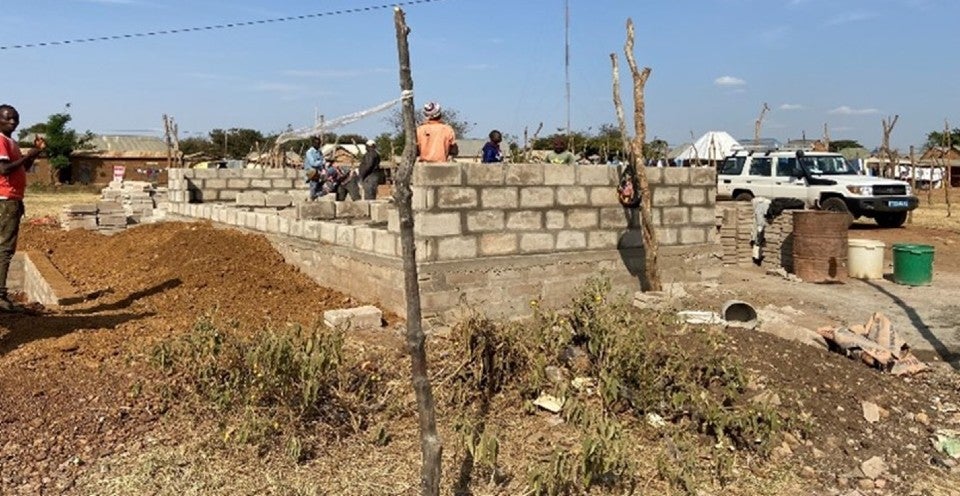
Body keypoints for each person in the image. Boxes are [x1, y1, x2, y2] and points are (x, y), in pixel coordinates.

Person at [0, 104, 45, 313]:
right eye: (8, 118)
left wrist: (33, 153)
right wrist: (28, 155)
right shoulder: (0, 141)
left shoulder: (11, 142)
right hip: (5, 199)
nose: (13, 122)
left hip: (11, 199)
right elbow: (4, 169)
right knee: (4, 249)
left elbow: (23, 167)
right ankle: (0, 297)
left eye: (16, 118)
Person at [303, 136, 324, 200]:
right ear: (313, 144)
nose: (318, 145)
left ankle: (314, 196)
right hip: (310, 171)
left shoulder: (319, 152)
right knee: (313, 184)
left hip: (318, 172)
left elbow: (322, 161)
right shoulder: (309, 152)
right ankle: (312, 197)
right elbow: (313, 163)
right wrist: (321, 162)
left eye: (319, 143)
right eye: (317, 143)